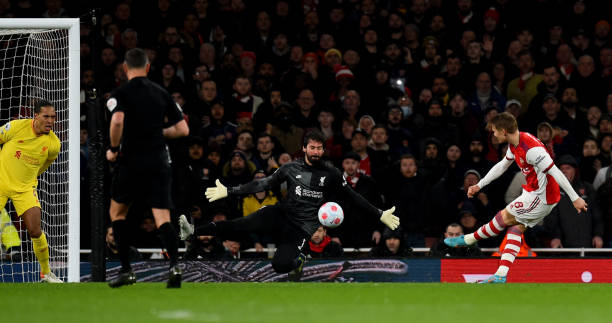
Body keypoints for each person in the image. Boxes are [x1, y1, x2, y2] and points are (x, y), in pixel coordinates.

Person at [179, 130, 399, 280]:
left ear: (323, 150)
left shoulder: (331, 173)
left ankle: (300, 258)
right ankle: (193, 232)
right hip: (280, 214)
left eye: (319, 148)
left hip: (302, 227)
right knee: (239, 225)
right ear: (304, 148)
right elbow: (263, 182)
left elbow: (352, 196)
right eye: (312, 148)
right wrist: (229, 190)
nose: (316, 152)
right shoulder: (290, 168)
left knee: (280, 266)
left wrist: (379, 214)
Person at [445, 112, 587, 283]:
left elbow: (555, 171)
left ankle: (468, 239)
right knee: (516, 228)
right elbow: (502, 165)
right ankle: (501, 275)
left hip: (542, 197)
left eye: (495, 131)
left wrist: (574, 198)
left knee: (504, 216)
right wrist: (480, 184)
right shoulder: (516, 143)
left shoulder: (532, 150)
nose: (494, 135)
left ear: (504, 130)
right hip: (532, 191)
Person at [105, 48, 189, 288]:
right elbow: (183, 130)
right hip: (159, 161)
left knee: (117, 214)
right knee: (162, 218)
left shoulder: (120, 93)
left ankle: (126, 270)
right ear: (148, 67)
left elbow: (118, 120)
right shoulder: (161, 92)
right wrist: (156, 132)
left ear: (125, 68)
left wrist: (113, 148)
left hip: (131, 160)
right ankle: (174, 266)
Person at [0, 100, 62, 282]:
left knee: (35, 230)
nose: (50, 121)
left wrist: (26, 179)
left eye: (53, 117)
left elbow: (42, 167)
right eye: (46, 116)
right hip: (1, 181)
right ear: (36, 116)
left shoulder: (53, 145)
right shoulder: (17, 127)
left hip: (25, 188)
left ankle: (46, 273)